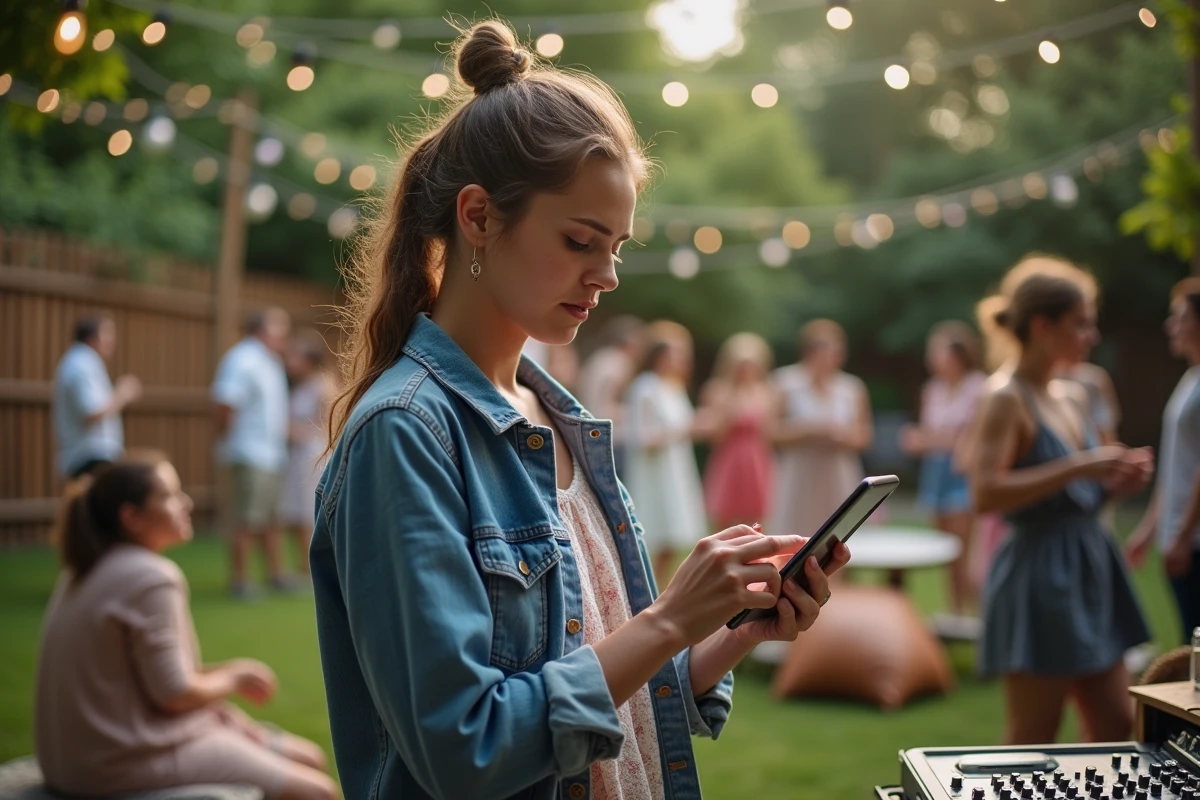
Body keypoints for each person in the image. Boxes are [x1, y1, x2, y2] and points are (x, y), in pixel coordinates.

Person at [309, 21, 850, 800]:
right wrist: (666, 618)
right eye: (580, 241)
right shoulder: (407, 433)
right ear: (478, 218)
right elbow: (464, 746)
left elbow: (603, 673)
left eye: (618, 247)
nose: (608, 275)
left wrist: (725, 633)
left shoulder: (558, 415)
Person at [34, 454, 336, 800]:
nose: (186, 503)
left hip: (75, 760)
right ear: (131, 517)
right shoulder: (150, 577)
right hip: (117, 762)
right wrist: (234, 679)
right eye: (170, 495)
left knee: (308, 757)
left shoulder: (83, 571)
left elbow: (149, 679)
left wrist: (226, 688)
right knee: (319, 791)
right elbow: (173, 694)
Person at [971, 256, 1153, 745]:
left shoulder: (1074, 394)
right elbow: (985, 492)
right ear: (1042, 325)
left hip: (1091, 562)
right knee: (1034, 738)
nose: (1092, 336)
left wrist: (1116, 482)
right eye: (1082, 324)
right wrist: (1082, 465)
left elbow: (1076, 491)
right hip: (1039, 575)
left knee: (1117, 726)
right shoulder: (1005, 397)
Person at [1127, 277, 1200, 644]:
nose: (1170, 326)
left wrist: (1185, 535)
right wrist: (1149, 530)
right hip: (1181, 536)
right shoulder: (1190, 379)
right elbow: (1177, 466)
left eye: (1180, 317)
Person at [900, 320, 987, 613]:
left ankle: (980, 613)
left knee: (963, 550)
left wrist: (931, 441)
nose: (932, 358)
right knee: (947, 552)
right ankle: (957, 614)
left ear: (958, 354)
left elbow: (974, 438)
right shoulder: (933, 390)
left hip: (962, 474)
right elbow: (933, 435)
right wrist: (926, 440)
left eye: (938, 351)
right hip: (936, 472)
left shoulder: (979, 387)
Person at [212, 307, 293, 597]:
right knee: (247, 519)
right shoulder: (241, 359)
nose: (284, 335)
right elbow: (226, 404)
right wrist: (226, 441)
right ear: (261, 330)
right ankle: (240, 580)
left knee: (272, 519)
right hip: (249, 452)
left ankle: (276, 574)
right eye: (279, 328)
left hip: (271, 454)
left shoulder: (270, 362)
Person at [770, 319, 874, 539]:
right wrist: (810, 431)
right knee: (793, 539)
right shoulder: (785, 382)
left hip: (838, 472)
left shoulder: (851, 388)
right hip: (799, 475)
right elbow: (770, 432)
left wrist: (842, 436)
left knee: (840, 539)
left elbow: (864, 436)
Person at [624, 320, 710, 584]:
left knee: (672, 538)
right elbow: (643, 437)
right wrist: (686, 428)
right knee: (653, 533)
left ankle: (657, 587)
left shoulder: (674, 387)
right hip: (654, 471)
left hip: (675, 469)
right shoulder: (645, 387)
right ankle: (642, 588)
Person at [698, 332, 778, 532]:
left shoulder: (766, 391)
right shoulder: (717, 390)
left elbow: (771, 432)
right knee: (723, 519)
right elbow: (714, 436)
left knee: (758, 520)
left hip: (757, 459)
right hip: (729, 458)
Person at [52, 314, 141, 479]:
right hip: (90, 456)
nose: (112, 340)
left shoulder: (83, 361)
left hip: (91, 455)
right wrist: (122, 394)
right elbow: (92, 412)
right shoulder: (81, 364)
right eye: (107, 333)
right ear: (92, 337)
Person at [278, 329, 337, 577]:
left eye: (296, 357)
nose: (290, 362)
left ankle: (313, 566)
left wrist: (287, 429)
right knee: (294, 511)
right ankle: (304, 565)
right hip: (296, 455)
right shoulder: (300, 386)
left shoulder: (324, 387)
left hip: (312, 454)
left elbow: (326, 428)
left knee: (307, 510)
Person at [576, 315, 646, 476]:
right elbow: (613, 403)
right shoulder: (621, 363)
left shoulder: (596, 360)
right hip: (613, 436)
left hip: (588, 429)